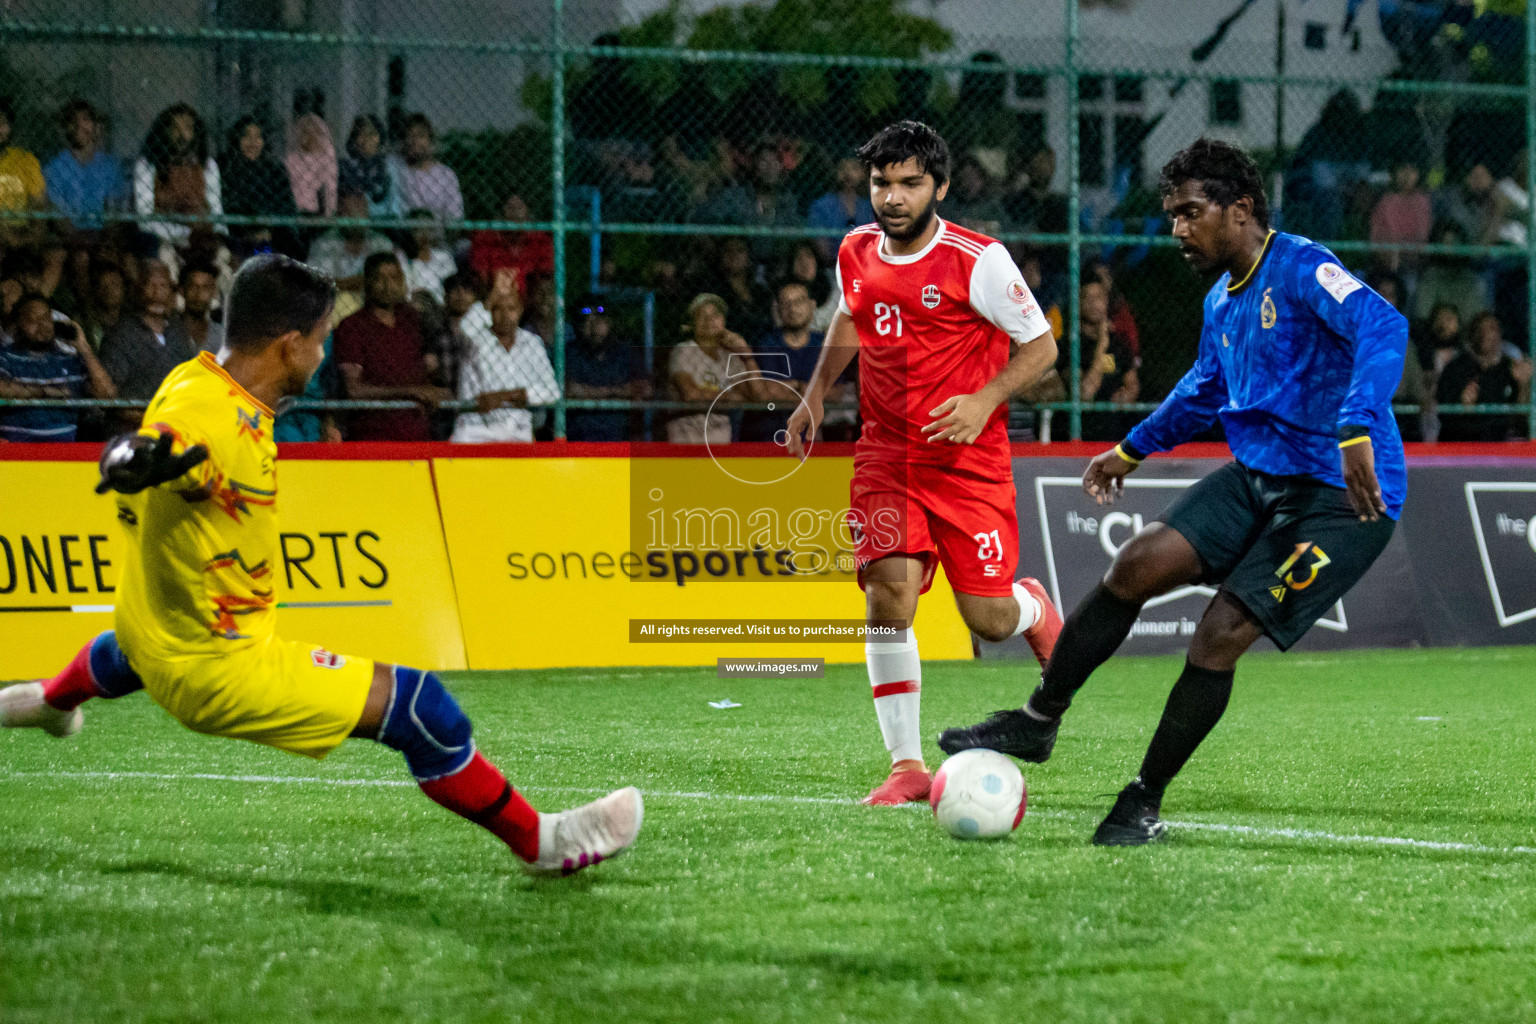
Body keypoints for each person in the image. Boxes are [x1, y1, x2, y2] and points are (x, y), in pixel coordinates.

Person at [0, 254, 642, 876]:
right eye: (321, 338)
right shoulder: (213, 424)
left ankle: (51, 703)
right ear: (287, 344)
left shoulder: (194, 375)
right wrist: (135, 460)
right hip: (219, 669)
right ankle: (543, 842)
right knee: (425, 710)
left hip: (152, 629)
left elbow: (168, 440)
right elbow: (171, 449)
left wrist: (140, 455)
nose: (325, 353)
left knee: (127, 649)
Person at [937, 139, 1409, 846]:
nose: (1177, 230)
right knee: (1133, 567)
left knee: (1217, 636)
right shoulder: (1222, 299)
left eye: (1191, 213)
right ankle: (1038, 721)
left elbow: (1383, 324)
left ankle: (1143, 798)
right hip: (1258, 480)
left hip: (1341, 502)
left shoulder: (1305, 267)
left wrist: (1356, 425)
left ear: (1241, 209)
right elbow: (1204, 393)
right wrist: (1131, 449)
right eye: (1172, 216)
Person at [782, 121, 1062, 806]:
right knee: (888, 598)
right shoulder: (854, 250)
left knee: (989, 620)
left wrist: (984, 398)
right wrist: (815, 396)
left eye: (910, 183)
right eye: (883, 183)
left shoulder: (980, 259)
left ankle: (1037, 610)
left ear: (938, 185)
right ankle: (906, 766)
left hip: (969, 463)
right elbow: (851, 316)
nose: (894, 197)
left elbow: (1043, 348)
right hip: (885, 454)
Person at [332, 252, 449, 441]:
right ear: (367, 281)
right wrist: (410, 392)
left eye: (394, 278)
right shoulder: (352, 326)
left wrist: (435, 390)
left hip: (418, 434)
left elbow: (433, 372)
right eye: (380, 278)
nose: (388, 286)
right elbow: (354, 390)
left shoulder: (413, 320)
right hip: (373, 436)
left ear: (402, 280)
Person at [0, 294, 116, 440]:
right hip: (17, 452)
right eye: (32, 319)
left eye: (46, 318)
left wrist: (84, 348)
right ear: (18, 324)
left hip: (62, 454)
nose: (42, 324)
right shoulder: (5, 357)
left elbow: (107, 394)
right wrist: (44, 393)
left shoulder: (69, 360)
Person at [451, 289, 560, 443]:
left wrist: (513, 395)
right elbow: (466, 328)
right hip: (475, 431)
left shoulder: (532, 343)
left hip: (517, 432)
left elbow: (552, 392)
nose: (504, 316)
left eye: (511, 309)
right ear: (489, 311)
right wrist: (491, 296)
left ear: (521, 310)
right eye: (497, 309)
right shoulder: (475, 340)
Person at [667, 293, 773, 444]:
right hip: (687, 440)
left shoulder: (729, 356)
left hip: (720, 442)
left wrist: (747, 355)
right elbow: (691, 393)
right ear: (692, 323)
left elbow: (760, 396)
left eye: (715, 314)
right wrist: (731, 396)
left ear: (723, 321)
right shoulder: (684, 350)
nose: (709, 320)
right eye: (701, 315)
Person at [99, 259, 199, 402]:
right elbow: (110, 395)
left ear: (171, 291)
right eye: (150, 285)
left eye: (163, 286)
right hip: (136, 420)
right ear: (138, 289)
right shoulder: (121, 334)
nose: (157, 293)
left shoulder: (179, 331)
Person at [741, 279, 827, 442]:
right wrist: (806, 390)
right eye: (786, 303)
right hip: (768, 437)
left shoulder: (823, 346)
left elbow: (835, 393)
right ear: (777, 308)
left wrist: (790, 387)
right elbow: (765, 392)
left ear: (812, 305)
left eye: (798, 301)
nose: (792, 308)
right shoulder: (766, 344)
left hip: (810, 439)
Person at [134, 103, 222, 248]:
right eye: (175, 128)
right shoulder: (147, 164)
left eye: (187, 128)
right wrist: (181, 235)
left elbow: (216, 212)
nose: (182, 135)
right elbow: (145, 219)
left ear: (195, 131)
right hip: (161, 238)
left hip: (200, 239)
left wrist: (215, 238)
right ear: (164, 131)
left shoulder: (207, 164)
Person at [565, 294, 649, 442]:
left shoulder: (625, 352)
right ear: (578, 324)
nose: (593, 324)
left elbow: (645, 389)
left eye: (599, 317)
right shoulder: (570, 352)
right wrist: (618, 391)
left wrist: (592, 391)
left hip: (619, 437)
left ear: (610, 321)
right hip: (580, 438)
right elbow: (570, 389)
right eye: (587, 318)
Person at [1435, 311, 1530, 441]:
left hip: (1499, 447)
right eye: (1481, 329)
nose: (1487, 334)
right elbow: (1442, 413)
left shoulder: (1510, 368)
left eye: (1493, 328)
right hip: (1462, 446)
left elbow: (1521, 418)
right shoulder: (1456, 368)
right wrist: (1462, 406)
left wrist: (1523, 385)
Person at [219, 116, 300, 256]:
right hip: (237, 235)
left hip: (272, 236)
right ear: (236, 139)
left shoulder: (275, 170)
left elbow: (286, 207)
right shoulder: (226, 168)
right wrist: (249, 231)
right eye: (246, 136)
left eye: (258, 137)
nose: (252, 142)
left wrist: (269, 230)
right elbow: (227, 205)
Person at [43, 99, 127, 234]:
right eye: (72, 120)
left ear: (96, 126)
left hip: (104, 237)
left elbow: (118, 209)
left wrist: (106, 237)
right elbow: (57, 213)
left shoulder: (110, 166)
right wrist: (77, 236)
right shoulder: (55, 166)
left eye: (86, 119)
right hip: (69, 237)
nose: (79, 125)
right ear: (65, 127)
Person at [306, 189, 396, 297]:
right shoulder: (325, 243)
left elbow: (390, 284)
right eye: (343, 212)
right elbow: (319, 285)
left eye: (360, 208)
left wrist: (344, 284)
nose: (345, 217)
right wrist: (361, 281)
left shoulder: (380, 242)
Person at [468, 193, 553, 301]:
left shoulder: (540, 240)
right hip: (494, 296)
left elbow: (545, 276)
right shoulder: (485, 239)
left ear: (528, 214)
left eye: (519, 208)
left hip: (530, 299)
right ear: (500, 215)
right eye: (510, 208)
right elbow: (480, 277)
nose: (515, 213)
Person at [391, 113, 462, 225]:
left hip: (439, 235)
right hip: (406, 235)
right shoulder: (397, 171)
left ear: (430, 141)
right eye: (410, 135)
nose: (414, 141)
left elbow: (455, 215)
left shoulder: (446, 175)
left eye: (420, 136)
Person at [807, 156, 876, 262]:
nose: (847, 173)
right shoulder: (822, 205)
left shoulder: (869, 207)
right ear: (836, 171)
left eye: (853, 168)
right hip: (833, 265)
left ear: (862, 173)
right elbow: (822, 247)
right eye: (843, 167)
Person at [0, 96, 46, 246]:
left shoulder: (26, 160)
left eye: (3, 122)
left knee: (55, 254)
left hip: (21, 230)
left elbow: (39, 204)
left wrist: (33, 236)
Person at [338, 115, 399, 220]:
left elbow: (394, 205)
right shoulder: (345, 167)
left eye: (371, 134)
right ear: (354, 139)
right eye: (361, 134)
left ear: (380, 137)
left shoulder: (389, 166)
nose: (366, 139)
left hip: (383, 221)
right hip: (352, 220)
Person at [284, 113, 337, 219]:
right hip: (295, 210)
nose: (311, 136)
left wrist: (329, 214)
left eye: (317, 132)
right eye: (306, 132)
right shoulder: (292, 159)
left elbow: (331, 187)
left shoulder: (327, 156)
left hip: (317, 211)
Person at [400, 207, 456, 304]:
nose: (425, 234)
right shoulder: (406, 263)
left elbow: (453, 287)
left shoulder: (444, 257)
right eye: (419, 230)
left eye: (429, 229)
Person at [179, 258, 222, 353]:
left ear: (213, 292)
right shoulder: (169, 331)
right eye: (193, 287)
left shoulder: (221, 336)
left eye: (205, 288)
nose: (199, 294)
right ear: (182, 290)